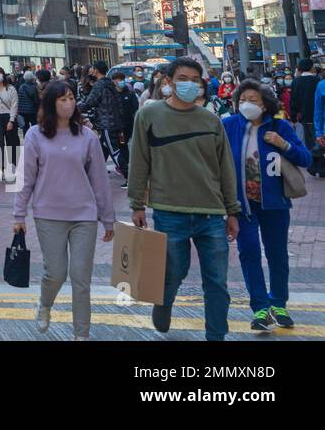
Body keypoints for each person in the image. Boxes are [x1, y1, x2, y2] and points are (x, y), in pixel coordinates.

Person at [128, 58, 240, 341]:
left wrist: (232, 210)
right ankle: (164, 302)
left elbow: (225, 167)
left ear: (202, 83)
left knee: (216, 283)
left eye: (194, 79)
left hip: (211, 214)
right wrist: (137, 203)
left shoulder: (211, 120)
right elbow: (139, 161)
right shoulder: (149, 116)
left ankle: (216, 335)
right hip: (169, 212)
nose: (188, 84)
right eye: (182, 78)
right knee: (173, 273)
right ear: (168, 81)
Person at [13, 81, 115, 340]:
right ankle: (45, 304)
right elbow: (26, 178)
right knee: (55, 273)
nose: (69, 103)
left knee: (81, 279)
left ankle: (82, 335)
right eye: (62, 99)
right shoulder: (35, 135)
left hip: (84, 216)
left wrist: (108, 219)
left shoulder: (87, 136)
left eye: (71, 98)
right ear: (50, 104)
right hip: (48, 215)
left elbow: (100, 180)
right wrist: (19, 215)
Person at [223, 79, 313, 332]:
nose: (246, 105)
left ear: (265, 105)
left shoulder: (280, 126)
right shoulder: (229, 125)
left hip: (274, 204)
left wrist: (283, 144)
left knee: (277, 254)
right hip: (241, 206)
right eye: (242, 100)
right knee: (249, 252)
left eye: (253, 100)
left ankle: (279, 304)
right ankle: (260, 308)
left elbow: (305, 157)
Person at [110, 69, 139, 189]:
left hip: (127, 126)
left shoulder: (130, 93)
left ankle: (127, 170)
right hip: (115, 127)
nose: (121, 81)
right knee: (121, 146)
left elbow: (135, 108)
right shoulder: (111, 94)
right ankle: (125, 168)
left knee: (123, 145)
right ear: (114, 81)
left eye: (122, 79)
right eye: (118, 79)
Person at [0, 68, 20, 175]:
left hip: (9, 117)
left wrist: (11, 120)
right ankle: (0, 169)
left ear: (3, 75)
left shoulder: (11, 89)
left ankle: (16, 166)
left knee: (12, 143)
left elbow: (14, 105)